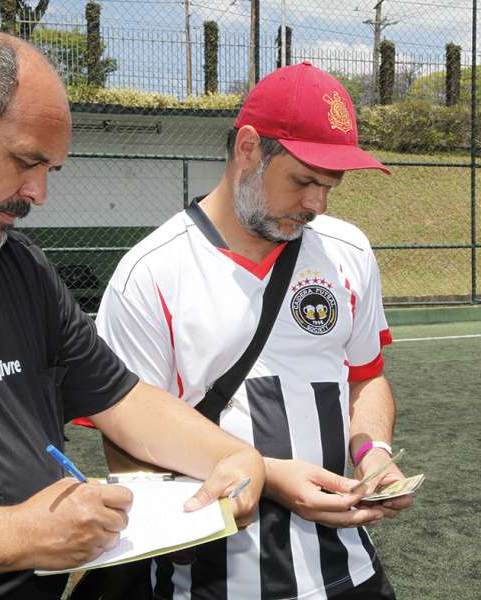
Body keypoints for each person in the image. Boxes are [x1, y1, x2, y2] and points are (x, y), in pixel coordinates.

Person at [0, 31, 264, 600]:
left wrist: (230, 454)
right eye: (27, 162)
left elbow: (122, 399)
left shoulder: (19, 265)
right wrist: (17, 536)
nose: (39, 192)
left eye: (51, 168)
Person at [95, 62, 414, 599]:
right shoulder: (149, 273)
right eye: (304, 181)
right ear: (247, 148)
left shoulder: (349, 251)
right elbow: (128, 448)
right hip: (212, 583)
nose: (318, 204)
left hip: (351, 573)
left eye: (330, 185)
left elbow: (366, 378)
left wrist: (372, 451)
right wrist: (264, 475)